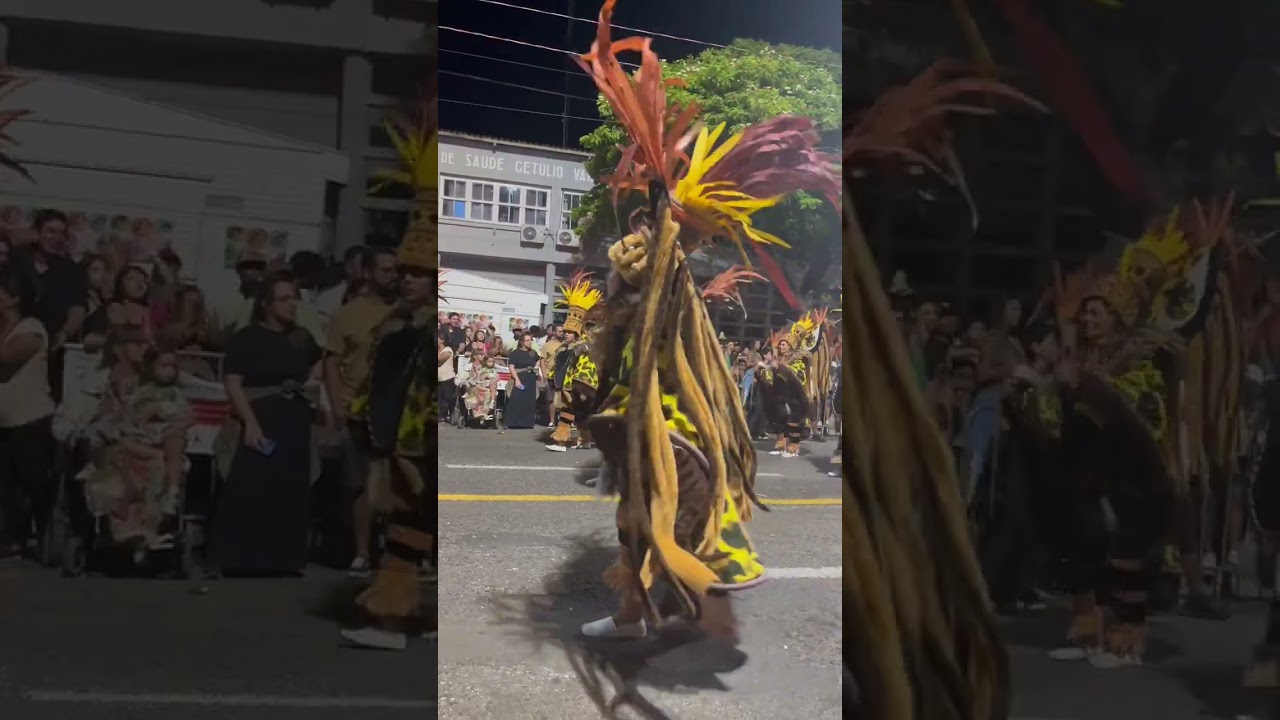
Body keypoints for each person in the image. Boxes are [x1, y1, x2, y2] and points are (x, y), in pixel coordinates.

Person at [572, 0, 839, 644]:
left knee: (682, 523)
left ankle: (712, 615)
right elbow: (625, 312)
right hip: (644, 426)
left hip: (672, 430)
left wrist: (648, 253)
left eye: (655, 228)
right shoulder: (659, 281)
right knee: (636, 524)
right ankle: (635, 614)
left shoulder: (665, 278)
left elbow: (642, 284)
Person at [340, 94, 436, 651]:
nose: (408, 281)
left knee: (416, 534)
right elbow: (383, 382)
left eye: (420, 274)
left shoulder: (427, 329)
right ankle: (394, 618)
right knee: (407, 534)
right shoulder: (395, 325)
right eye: (405, 273)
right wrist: (360, 418)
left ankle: (401, 619)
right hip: (405, 449)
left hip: (424, 449)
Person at [211, 271, 322, 576]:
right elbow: (233, 383)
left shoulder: (301, 337)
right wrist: (250, 423)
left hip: (294, 421)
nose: (292, 305)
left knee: (290, 491)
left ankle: (283, 560)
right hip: (261, 417)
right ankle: (240, 559)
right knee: (251, 487)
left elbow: (319, 368)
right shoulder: (247, 339)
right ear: (266, 304)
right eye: (284, 299)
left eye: (294, 298)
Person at [323, 246, 398, 578]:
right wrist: (339, 404)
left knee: (394, 483)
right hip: (357, 409)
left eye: (396, 270)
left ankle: (397, 552)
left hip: (396, 410)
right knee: (359, 484)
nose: (393, 276)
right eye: (385, 270)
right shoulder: (346, 315)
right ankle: (361, 552)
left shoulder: (403, 313)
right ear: (368, 273)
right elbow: (331, 361)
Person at [0, 269, 56, 558]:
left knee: (34, 482)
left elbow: (5, 357)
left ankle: (46, 531)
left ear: (14, 298)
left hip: (30, 421)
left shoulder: (31, 329)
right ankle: (11, 537)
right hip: (4, 423)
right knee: (4, 486)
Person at [546, 271, 602, 452]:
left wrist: (581, 388)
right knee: (577, 416)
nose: (566, 334)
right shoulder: (564, 348)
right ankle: (580, 440)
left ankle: (563, 441)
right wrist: (553, 378)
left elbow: (588, 370)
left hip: (576, 390)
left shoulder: (584, 348)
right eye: (565, 332)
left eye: (570, 332)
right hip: (566, 388)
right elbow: (558, 366)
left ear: (577, 332)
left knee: (571, 415)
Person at [504, 332, 539, 430]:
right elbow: (511, 367)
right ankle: (512, 422)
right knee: (516, 399)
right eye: (527, 340)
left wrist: (536, 369)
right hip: (519, 377)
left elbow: (538, 360)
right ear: (522, 342)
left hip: (530, 378)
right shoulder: (515, 353)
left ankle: (527, 423)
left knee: (529, 401)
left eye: (530, 340)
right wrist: (517, 380)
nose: (530, 342)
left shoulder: (533, 352)